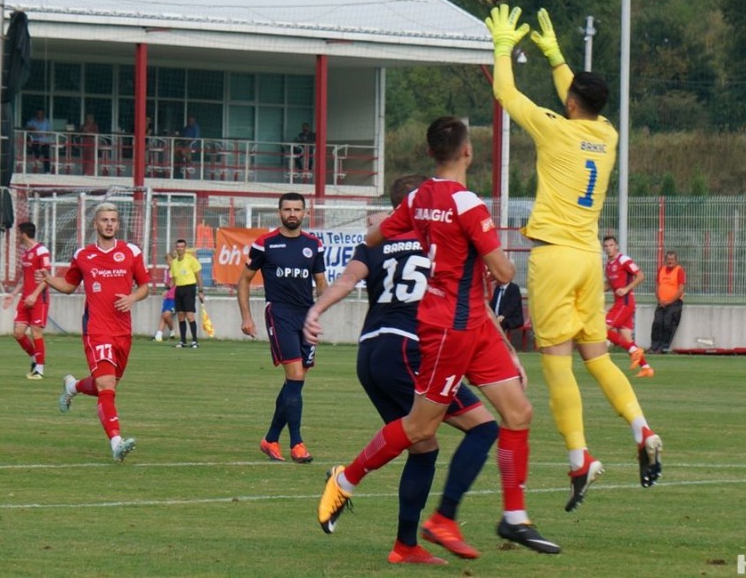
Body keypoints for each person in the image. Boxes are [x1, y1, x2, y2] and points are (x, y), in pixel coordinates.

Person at [307, 116, 560, 554]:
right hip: (448, 327)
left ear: (431, 153)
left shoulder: (419, 197)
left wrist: (428, 236)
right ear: (468, 151)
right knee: (421, 427)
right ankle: (346, 478)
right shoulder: (467, 204)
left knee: (518, 413)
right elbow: (504, 272)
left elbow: (373, 235)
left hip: (473, 323)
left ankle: (513, 517)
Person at [486, 4, 662, 511]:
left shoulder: (556, 129)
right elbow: (578, 95)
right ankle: (641, 428)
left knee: (557, 364)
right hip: (588, 257)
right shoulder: (607, 135)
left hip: (556, 258)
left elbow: (506, 94)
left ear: (569, 103)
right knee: (598, 358)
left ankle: (579, 456)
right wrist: (557, 56)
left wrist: (503, 47)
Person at [306, 174, 501, 564]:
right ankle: (346, 479)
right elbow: (473, 298)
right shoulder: (439, 238)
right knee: (482, 427)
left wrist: (316, 309)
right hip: (411, 348)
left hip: (371, 352)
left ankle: (405, 546)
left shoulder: (377, 239)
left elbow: (347, 279)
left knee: (422, 446)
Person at [37, 202, 150, 461]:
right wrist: (48, 278)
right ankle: (116, 443)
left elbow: (145, 286)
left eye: (113, 220)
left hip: (123, 332)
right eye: (104, 220)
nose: (109, 224)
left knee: (105, 388)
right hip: (97, 330)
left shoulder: (131, 251)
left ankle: (73, 386)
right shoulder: (83, 255)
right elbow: (69, 285)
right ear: (95, 223)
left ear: (118, 224)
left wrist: (133, 298)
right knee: (106, 385)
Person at [237, 192, 327, 465]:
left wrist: (319, 310)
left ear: (305, 213)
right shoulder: (265, 244)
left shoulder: (314, 245)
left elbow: (321, 282)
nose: (292, 214)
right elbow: (244, 281)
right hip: (279, 313)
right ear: (279, 212)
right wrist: (246, 317)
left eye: (297, 209)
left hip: (306, 316)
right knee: (295, 376)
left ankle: (270, 438)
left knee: (295, 383)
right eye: (287, 209)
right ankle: (297, 443)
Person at [2, 222, 51, 379]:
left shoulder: (42, 251)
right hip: (25, 298)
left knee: (36, 332)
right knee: (18, 333)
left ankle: (39, 370)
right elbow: (24, 278)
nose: (18, 236)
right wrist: (13, 294)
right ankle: (35, 359)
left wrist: (34, 295)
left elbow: (47, 278)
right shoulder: (25, 254)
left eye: (19, 233)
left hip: (39, 298)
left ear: (23, 234)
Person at [602, 234, 653, 377]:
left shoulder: (623, 259)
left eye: (611, 245)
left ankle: (634, 351)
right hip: (621, 303)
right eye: (606, 246)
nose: (609, 248)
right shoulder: (608, 265)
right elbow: (610, 284)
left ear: (616, 246)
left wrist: (626, 288)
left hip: (624, 303)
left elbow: (640, 276)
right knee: (627, 339)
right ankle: (646, 368)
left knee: (601, 329)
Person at [168, 239, 205, 348]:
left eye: (182, 246)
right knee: (180, 315)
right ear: (176, 248)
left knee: (190, 315)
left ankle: (194, 341)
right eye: (178, 246)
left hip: (189, 288)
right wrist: (167, 289)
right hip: (179, 289)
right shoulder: (174, 262)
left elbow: (198, 276)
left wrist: (201, 291)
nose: (180, 248)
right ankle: (183, 341)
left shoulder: (191, 260)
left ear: (185, 248)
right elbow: (173, 279)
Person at [650, 251, 686, 355]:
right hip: (661, 303)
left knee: (668, 324)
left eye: (672, 259)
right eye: (668, 259)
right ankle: (654, 347)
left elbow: (681, 289)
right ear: (665, 260)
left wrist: (670, 301)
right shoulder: (661, 270)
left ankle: (663, 348)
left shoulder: (679, 271)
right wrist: (659, 299)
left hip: (674, 303)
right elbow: (657, 286)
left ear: (676, 260)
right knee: (657, 323)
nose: (670, 261)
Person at [153, 253, 177, 342]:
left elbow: (174, 282)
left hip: (175, 297)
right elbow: (166, 283)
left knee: (166, 314)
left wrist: (167, 289)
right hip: (168, 297)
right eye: (167, 260)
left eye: (170, 260)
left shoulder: (176, 270)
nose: (169, 262)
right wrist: (165, 291)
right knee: (163, 315)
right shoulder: (166, 271)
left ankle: (172, 331)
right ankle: (158, 335)